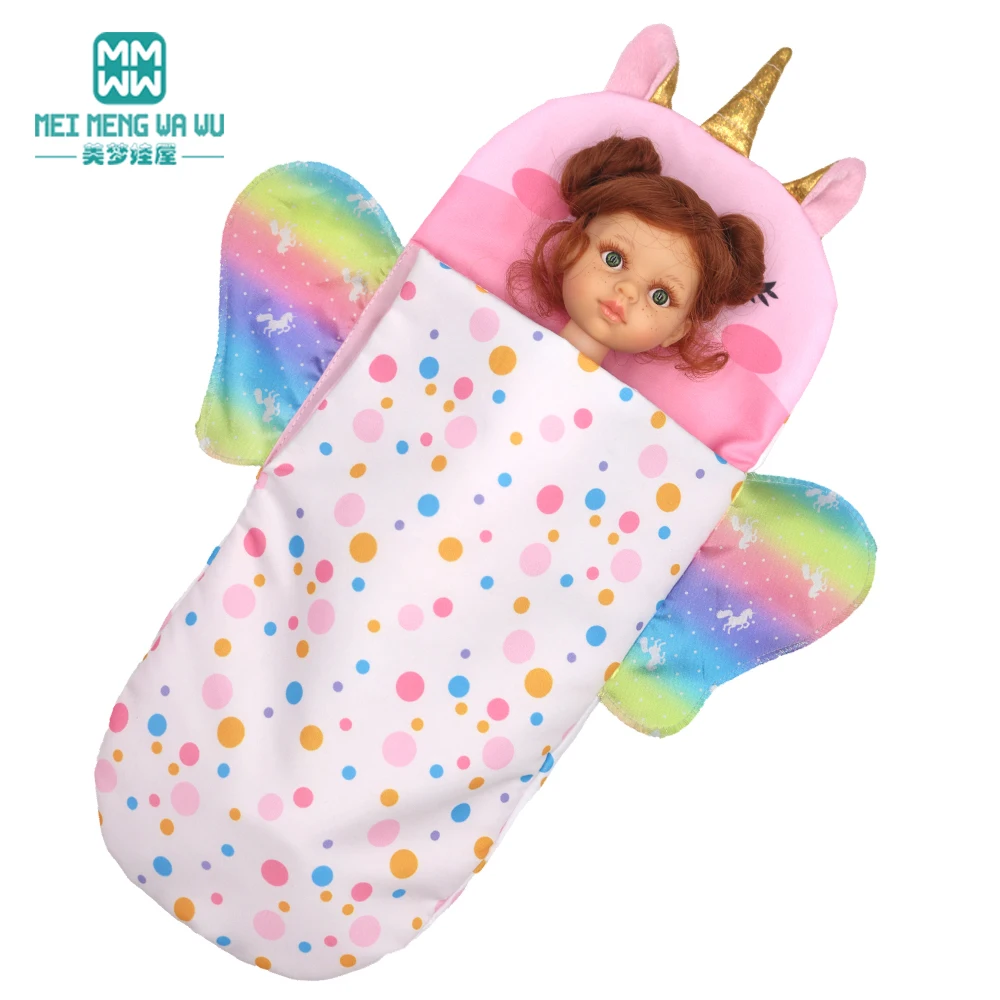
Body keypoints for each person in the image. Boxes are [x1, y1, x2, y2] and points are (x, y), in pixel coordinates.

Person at [506, 134, 767, 374]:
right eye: (613, 259)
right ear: (571, 247)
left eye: (660, 296)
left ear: (677, 330)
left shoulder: (622, 408)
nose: (628, 290)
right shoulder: (492, 325)